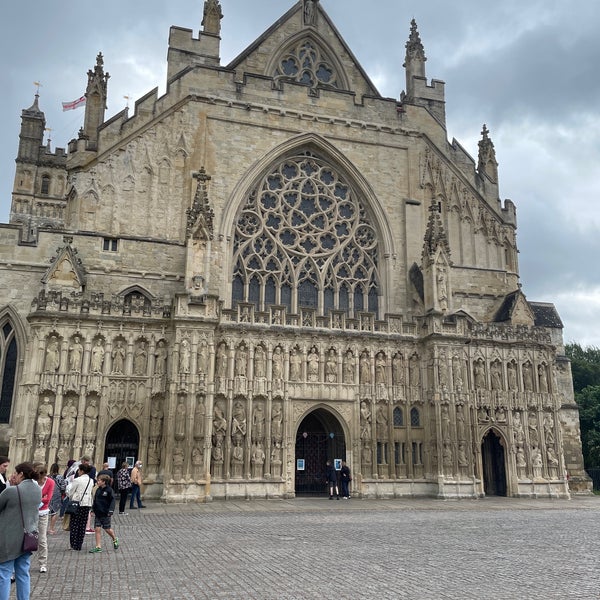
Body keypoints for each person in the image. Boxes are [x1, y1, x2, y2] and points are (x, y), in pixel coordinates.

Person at [0, 462, 42, 599]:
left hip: (9, 538)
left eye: (15, 473)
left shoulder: (11, 491)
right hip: (28, 537)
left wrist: (11, 487)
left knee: (4, 573)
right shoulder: (37, 490)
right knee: (23, 572)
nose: (13, 476)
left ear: (21, 474)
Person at [65, 463, 93, 551]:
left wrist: (69, 494)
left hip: (77, 503)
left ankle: (73, 544)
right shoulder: (91, 480)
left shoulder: (77, 480)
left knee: (74, 524)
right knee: (82, 524)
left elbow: (71, 492)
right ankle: (79, 544)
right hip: (87, 503)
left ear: (81, 471)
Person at [33, 462, 55, 573]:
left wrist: (37, 498)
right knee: (27, 538)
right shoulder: (32, 482)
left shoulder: (50, 482)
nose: (40, 480)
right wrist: (42, 497)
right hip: (30, 512)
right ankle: (23, 562)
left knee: (42, 539)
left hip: (42, 512)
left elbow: (48, 499)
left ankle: (43, 563)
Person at [89, 474, 119, 553]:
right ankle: (98, 546)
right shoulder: (98, 490)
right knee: (97, 529)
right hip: (98, 513)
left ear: (104, 482)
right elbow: (95, 501)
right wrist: (92, 509)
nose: (97, 482)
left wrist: (111, 511)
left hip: (105, 513)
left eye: (99, 480)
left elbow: (112, 501)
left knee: (107, 529)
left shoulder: (109, 490)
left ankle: (114, 538)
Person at [48, 463, 66, 534]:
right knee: (54, 512)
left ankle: (45, 527)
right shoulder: (60, 477)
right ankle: (51, 528)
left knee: (47, 511)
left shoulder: (48, 477)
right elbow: (63, 487)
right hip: (57, 495)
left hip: (48, 494)